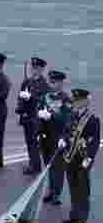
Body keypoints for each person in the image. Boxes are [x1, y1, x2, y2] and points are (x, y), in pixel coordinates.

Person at [60, 88, 99, 223]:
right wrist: (63, 139)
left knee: (82, 187)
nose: (75, 103)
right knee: (72, 186)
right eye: (75, 100)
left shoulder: (93, 120)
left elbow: (94, 141)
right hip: (70, 156)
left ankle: (82, 216)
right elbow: (66, 130)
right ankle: (74, 214)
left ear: (85, 102)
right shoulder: (72, 115)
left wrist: (89, 158)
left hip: (83, 158)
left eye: (78, 100)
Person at [40, 69, 72, 206]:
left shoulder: (66, 99)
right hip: (46, 136)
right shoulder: (44, 97)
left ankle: (57, 194)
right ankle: (50, 190)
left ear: (60, 83)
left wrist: (52, 116)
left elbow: (68, 120)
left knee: (57, 167)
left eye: (54, 82)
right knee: (48, 164)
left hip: (58, 137)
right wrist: (38, 130)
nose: (51, 84)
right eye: (50, 82)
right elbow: (40, 114)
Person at [16, 56, 49, 175]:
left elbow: (44, 100)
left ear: (41, 69)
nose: (34, 70)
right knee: (29, 142)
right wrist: (19, 110)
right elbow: (20, 97)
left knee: (35, 143)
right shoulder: (27, 81)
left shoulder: (44, 84)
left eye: (37, 68)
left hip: (36, 117)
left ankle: (36, 166)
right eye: (33, 67)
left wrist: (31, 97)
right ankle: (32, 163)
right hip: (26, 116)